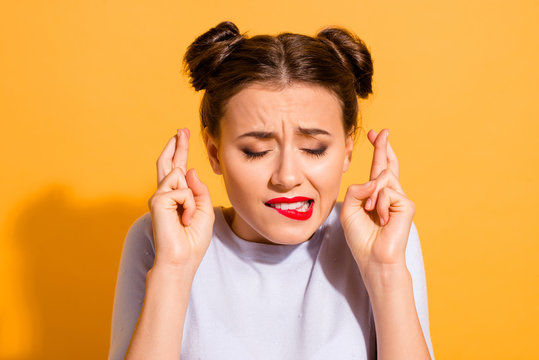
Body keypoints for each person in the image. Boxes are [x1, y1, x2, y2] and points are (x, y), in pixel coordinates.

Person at [108, 21, 434, 360]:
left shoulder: (385, 235)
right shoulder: (159, 237)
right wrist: (174, 269)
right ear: (214, 152)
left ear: (347, 150)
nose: (287, 177)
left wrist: (385, 269)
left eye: (314, 148)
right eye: (256, 151)